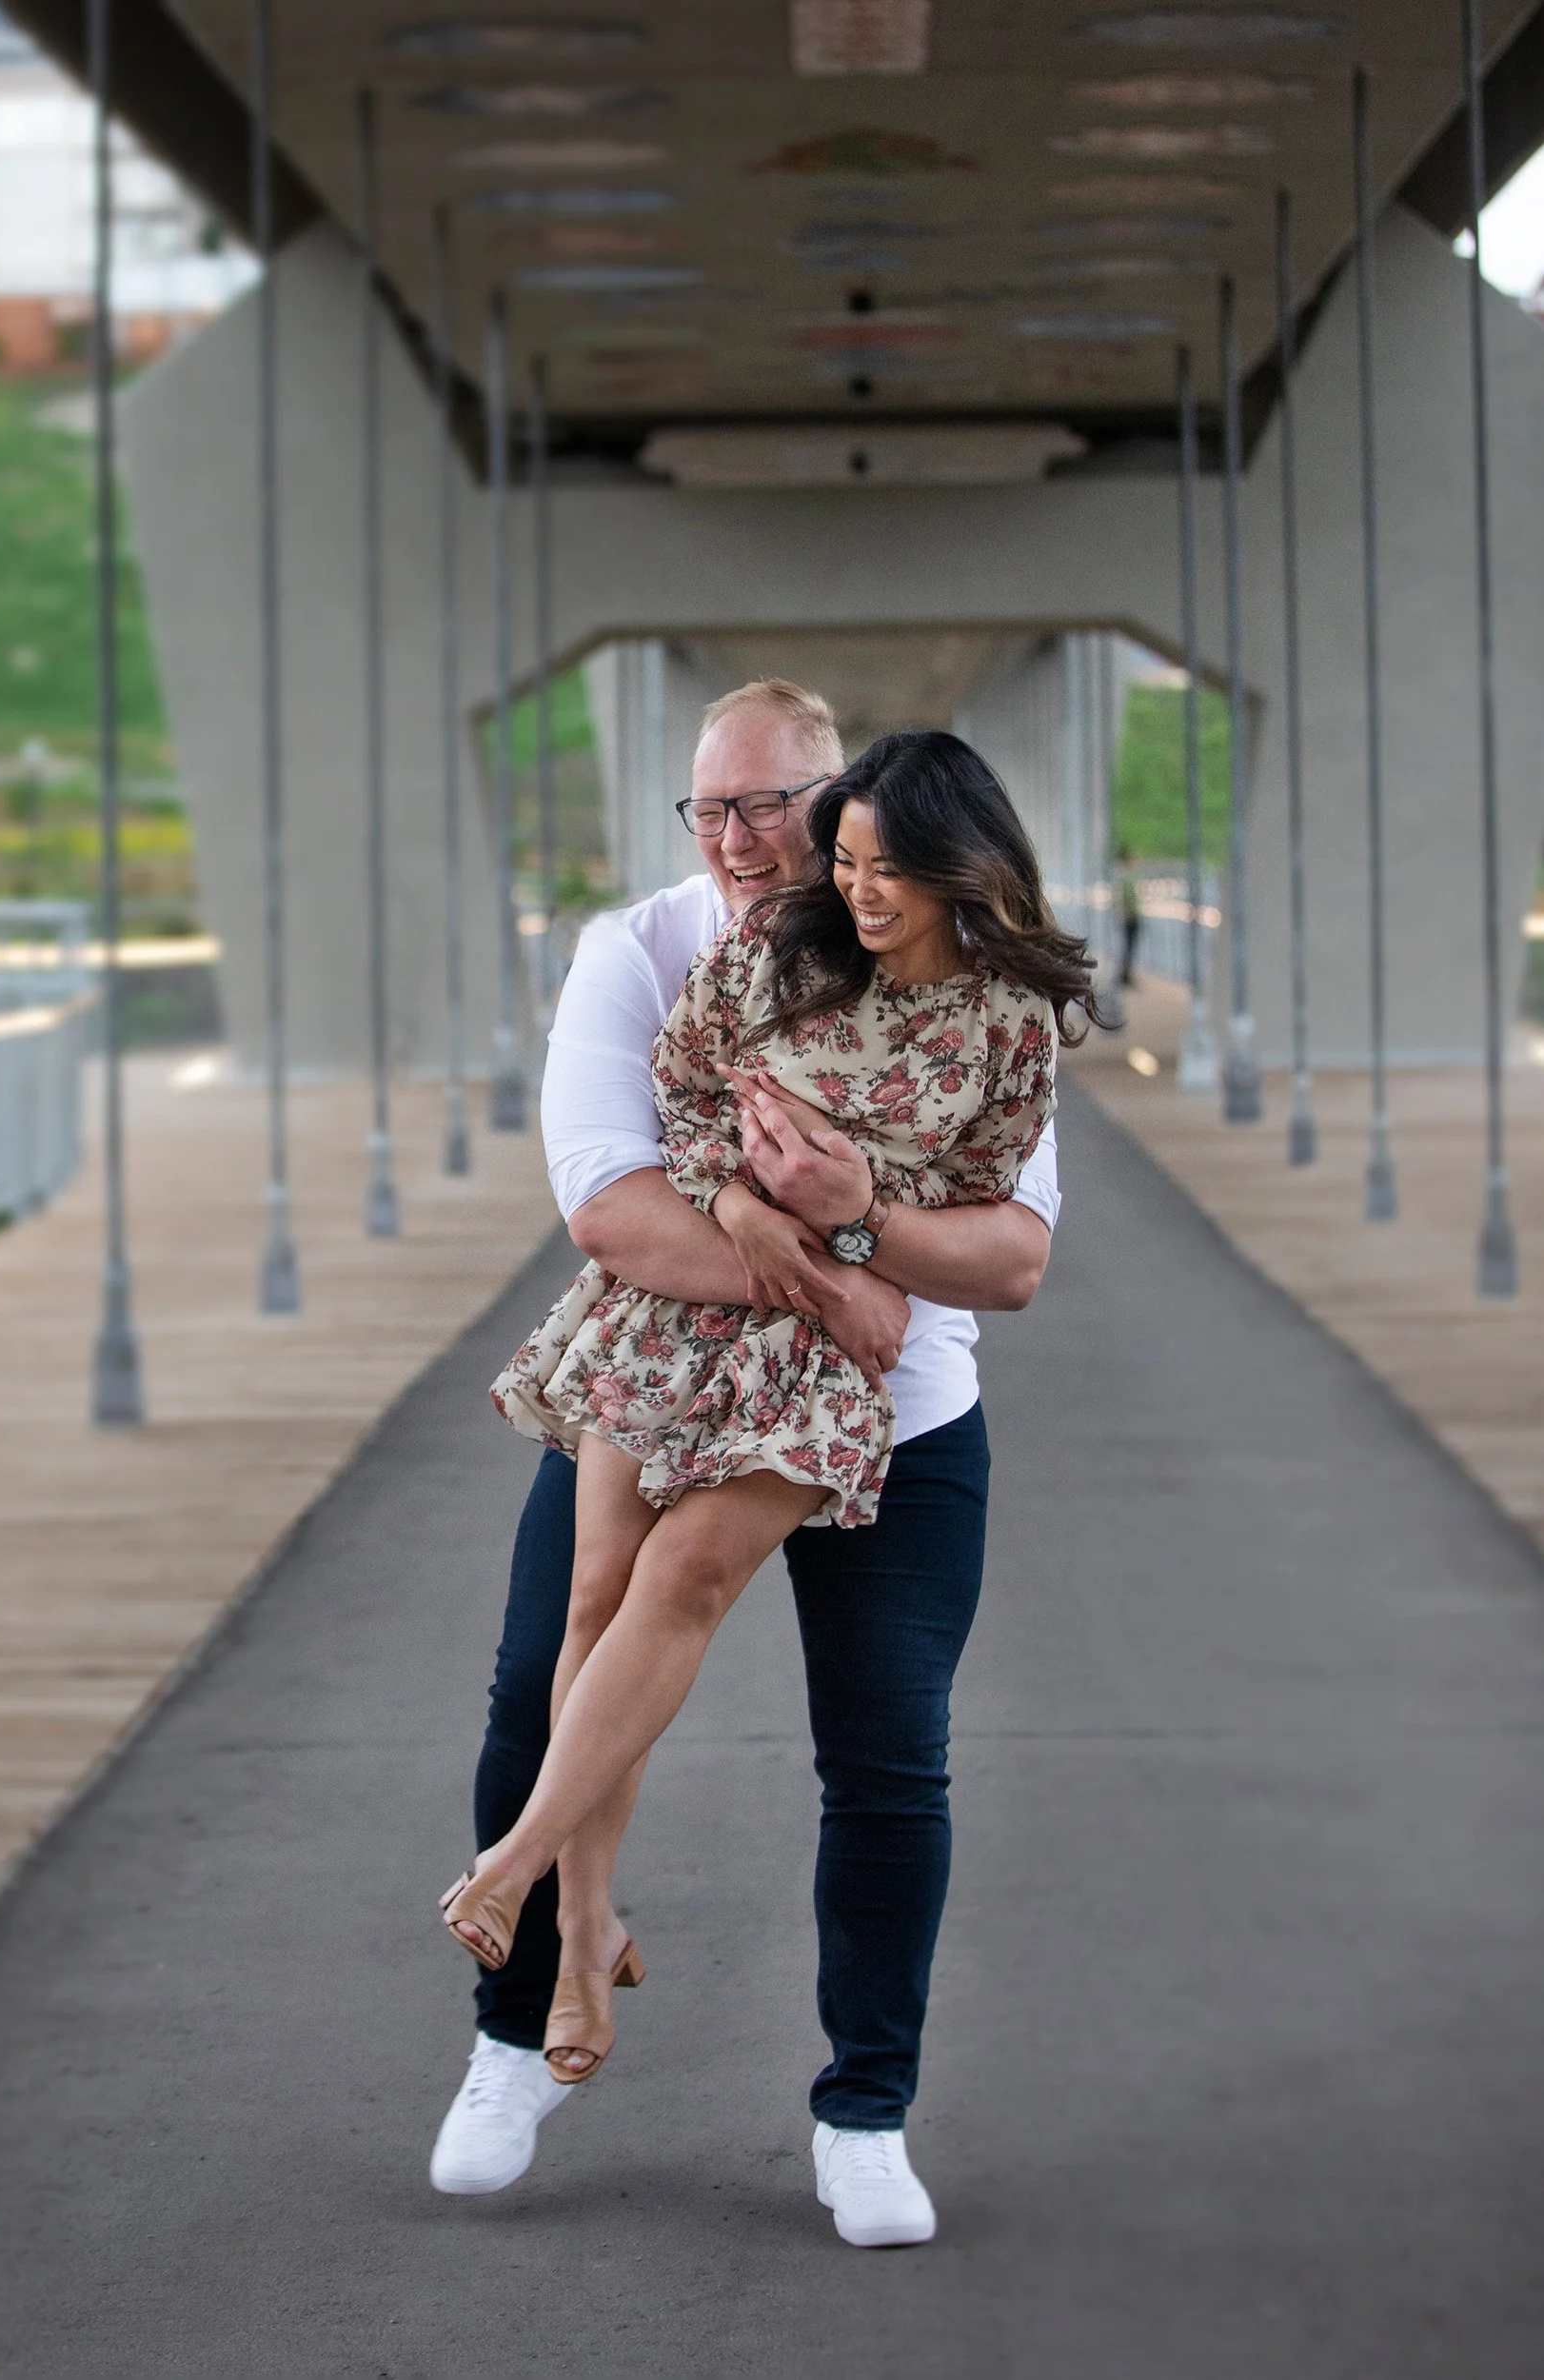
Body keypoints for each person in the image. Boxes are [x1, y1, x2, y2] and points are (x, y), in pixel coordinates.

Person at [429, 681, 1066, 2250]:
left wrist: (857, 1230)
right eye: (708, 809)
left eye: (768, 805)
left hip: (896, 1411)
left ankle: (865, 2112)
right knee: (544, 1674)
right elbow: (609, 1205)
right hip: (673, 1364)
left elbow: (1011, 1254)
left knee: (888, 1759)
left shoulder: (978, 1002)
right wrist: (828, 1265)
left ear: (847, 802)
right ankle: (522, 2025)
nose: (736, 839)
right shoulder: (652, 954)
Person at [1116, 843, 1142, 990]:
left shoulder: (1128, 877)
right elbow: (1126, 899)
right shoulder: (1127, 878)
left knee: (1128, 947)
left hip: (1130, 916)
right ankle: (1125, 976)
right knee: (1128, 947)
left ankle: (1125, 975)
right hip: (1130, 917)